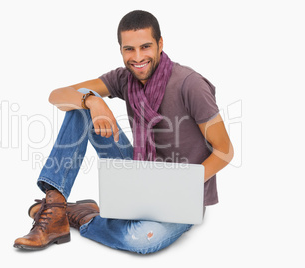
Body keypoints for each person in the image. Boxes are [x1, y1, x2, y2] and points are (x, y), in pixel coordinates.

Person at [13, 10, 234, 254]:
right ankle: (55, 206)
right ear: (120, 50)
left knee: (141, 239)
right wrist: (92, 101)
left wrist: (182, 184)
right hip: (138, 171)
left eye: (146, 47)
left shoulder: (190, 84)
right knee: (79, 105)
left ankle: (79, 216)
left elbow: (225, 150)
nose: (138, 57)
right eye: (129, 49)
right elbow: (57, 96)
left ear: (160, 44)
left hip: (179, 191)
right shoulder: (123, 78)